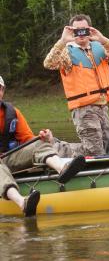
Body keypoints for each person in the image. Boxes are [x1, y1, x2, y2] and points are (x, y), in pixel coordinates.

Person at [0, 76, 86, 217]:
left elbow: (27, 139)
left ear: (2, 91)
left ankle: (62, 169)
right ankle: (22, 203)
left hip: (9, 158)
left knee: (38, 143)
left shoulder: (12, 112)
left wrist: (45, 139)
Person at [43, 14, 109, 156]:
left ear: (90, 30)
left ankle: (57, 146)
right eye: (77, 30)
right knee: (94, 151)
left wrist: (102, 38)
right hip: (83, 109)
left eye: (84, 30)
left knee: (108, 147)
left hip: (102, 107)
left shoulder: (99, 47)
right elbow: (49, 63)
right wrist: (62, 41)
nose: (81, 33)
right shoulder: (66, 52)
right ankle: (55, 148)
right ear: (72, 32)